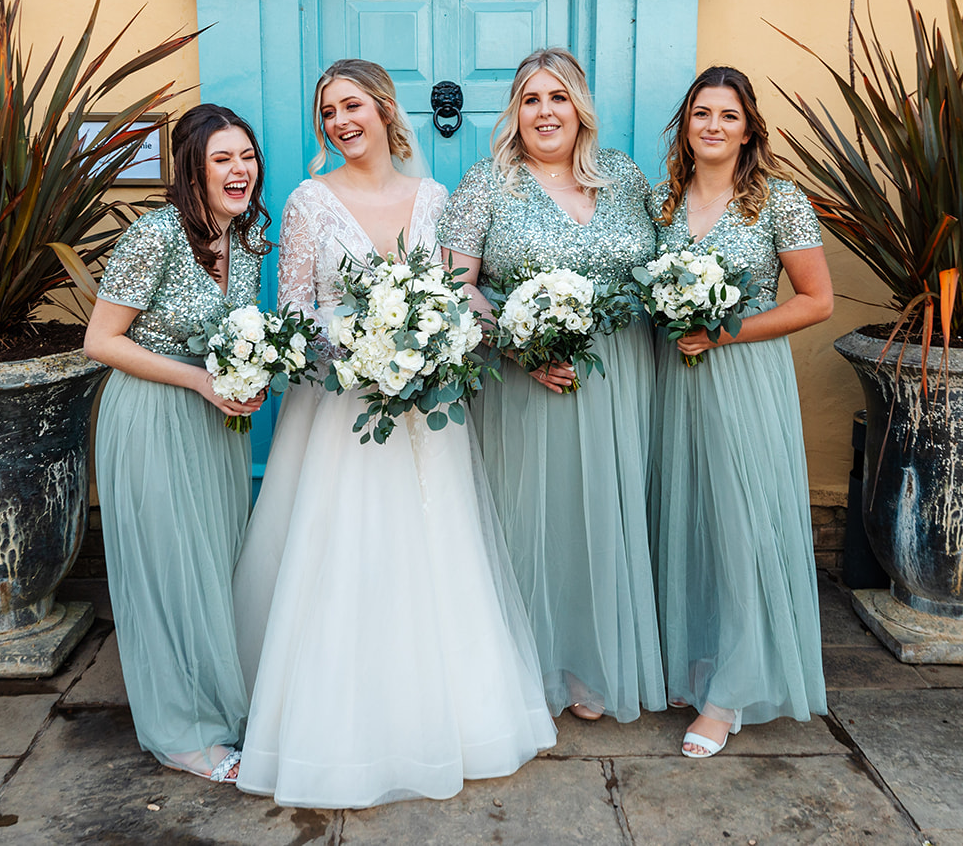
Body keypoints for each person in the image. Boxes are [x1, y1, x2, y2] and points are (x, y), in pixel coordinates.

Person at [233, 59, 555, 808]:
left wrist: (434, 342)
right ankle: (334, 719)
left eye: (351, 106)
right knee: (345, 554)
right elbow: (298, 313)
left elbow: (454, 296)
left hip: (426, 412)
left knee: (437, 555)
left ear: (384, 109)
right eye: (327, 113)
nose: (340, 122)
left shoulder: (434, 197)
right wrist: (359, 353)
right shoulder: (310, 201)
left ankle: (448, 712)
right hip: (340, 413)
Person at [438, 47, 666, 723]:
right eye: (531, 99)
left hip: (620, 371)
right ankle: (526, 666)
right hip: (526, 378)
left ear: (580, 107)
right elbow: (457, 283)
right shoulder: (487, 182)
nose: (545, 112)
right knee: (530, 516)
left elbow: (662, 262)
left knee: (604, 513)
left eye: (558, 97)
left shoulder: (624, 177)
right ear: (516, 111)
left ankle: (593, 662)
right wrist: (517, 345)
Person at [83, 103, 273, 782]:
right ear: (191, 167)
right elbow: (100, 341)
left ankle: (220, 703)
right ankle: (183, 732)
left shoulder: (247, 237)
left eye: (246, 156)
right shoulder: (155, 235)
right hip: (153, 418)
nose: (239, 169)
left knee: (213, 566)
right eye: (223, 158)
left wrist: (247, 377)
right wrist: (199, 379)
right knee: (170, 570)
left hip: (213, 422)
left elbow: (235, 333)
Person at [648, 65, 833, 758]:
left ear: (749, 126)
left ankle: (730, 692)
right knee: (683, 514)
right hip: (675, 376)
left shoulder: (779, 201)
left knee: (739, 526)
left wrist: (726, 331)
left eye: (728, 115)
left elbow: (816, 300)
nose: (713, 126)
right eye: (701, 114)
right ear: (686, 125)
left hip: (742, 373)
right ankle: (693, 662)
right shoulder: (663, 201)